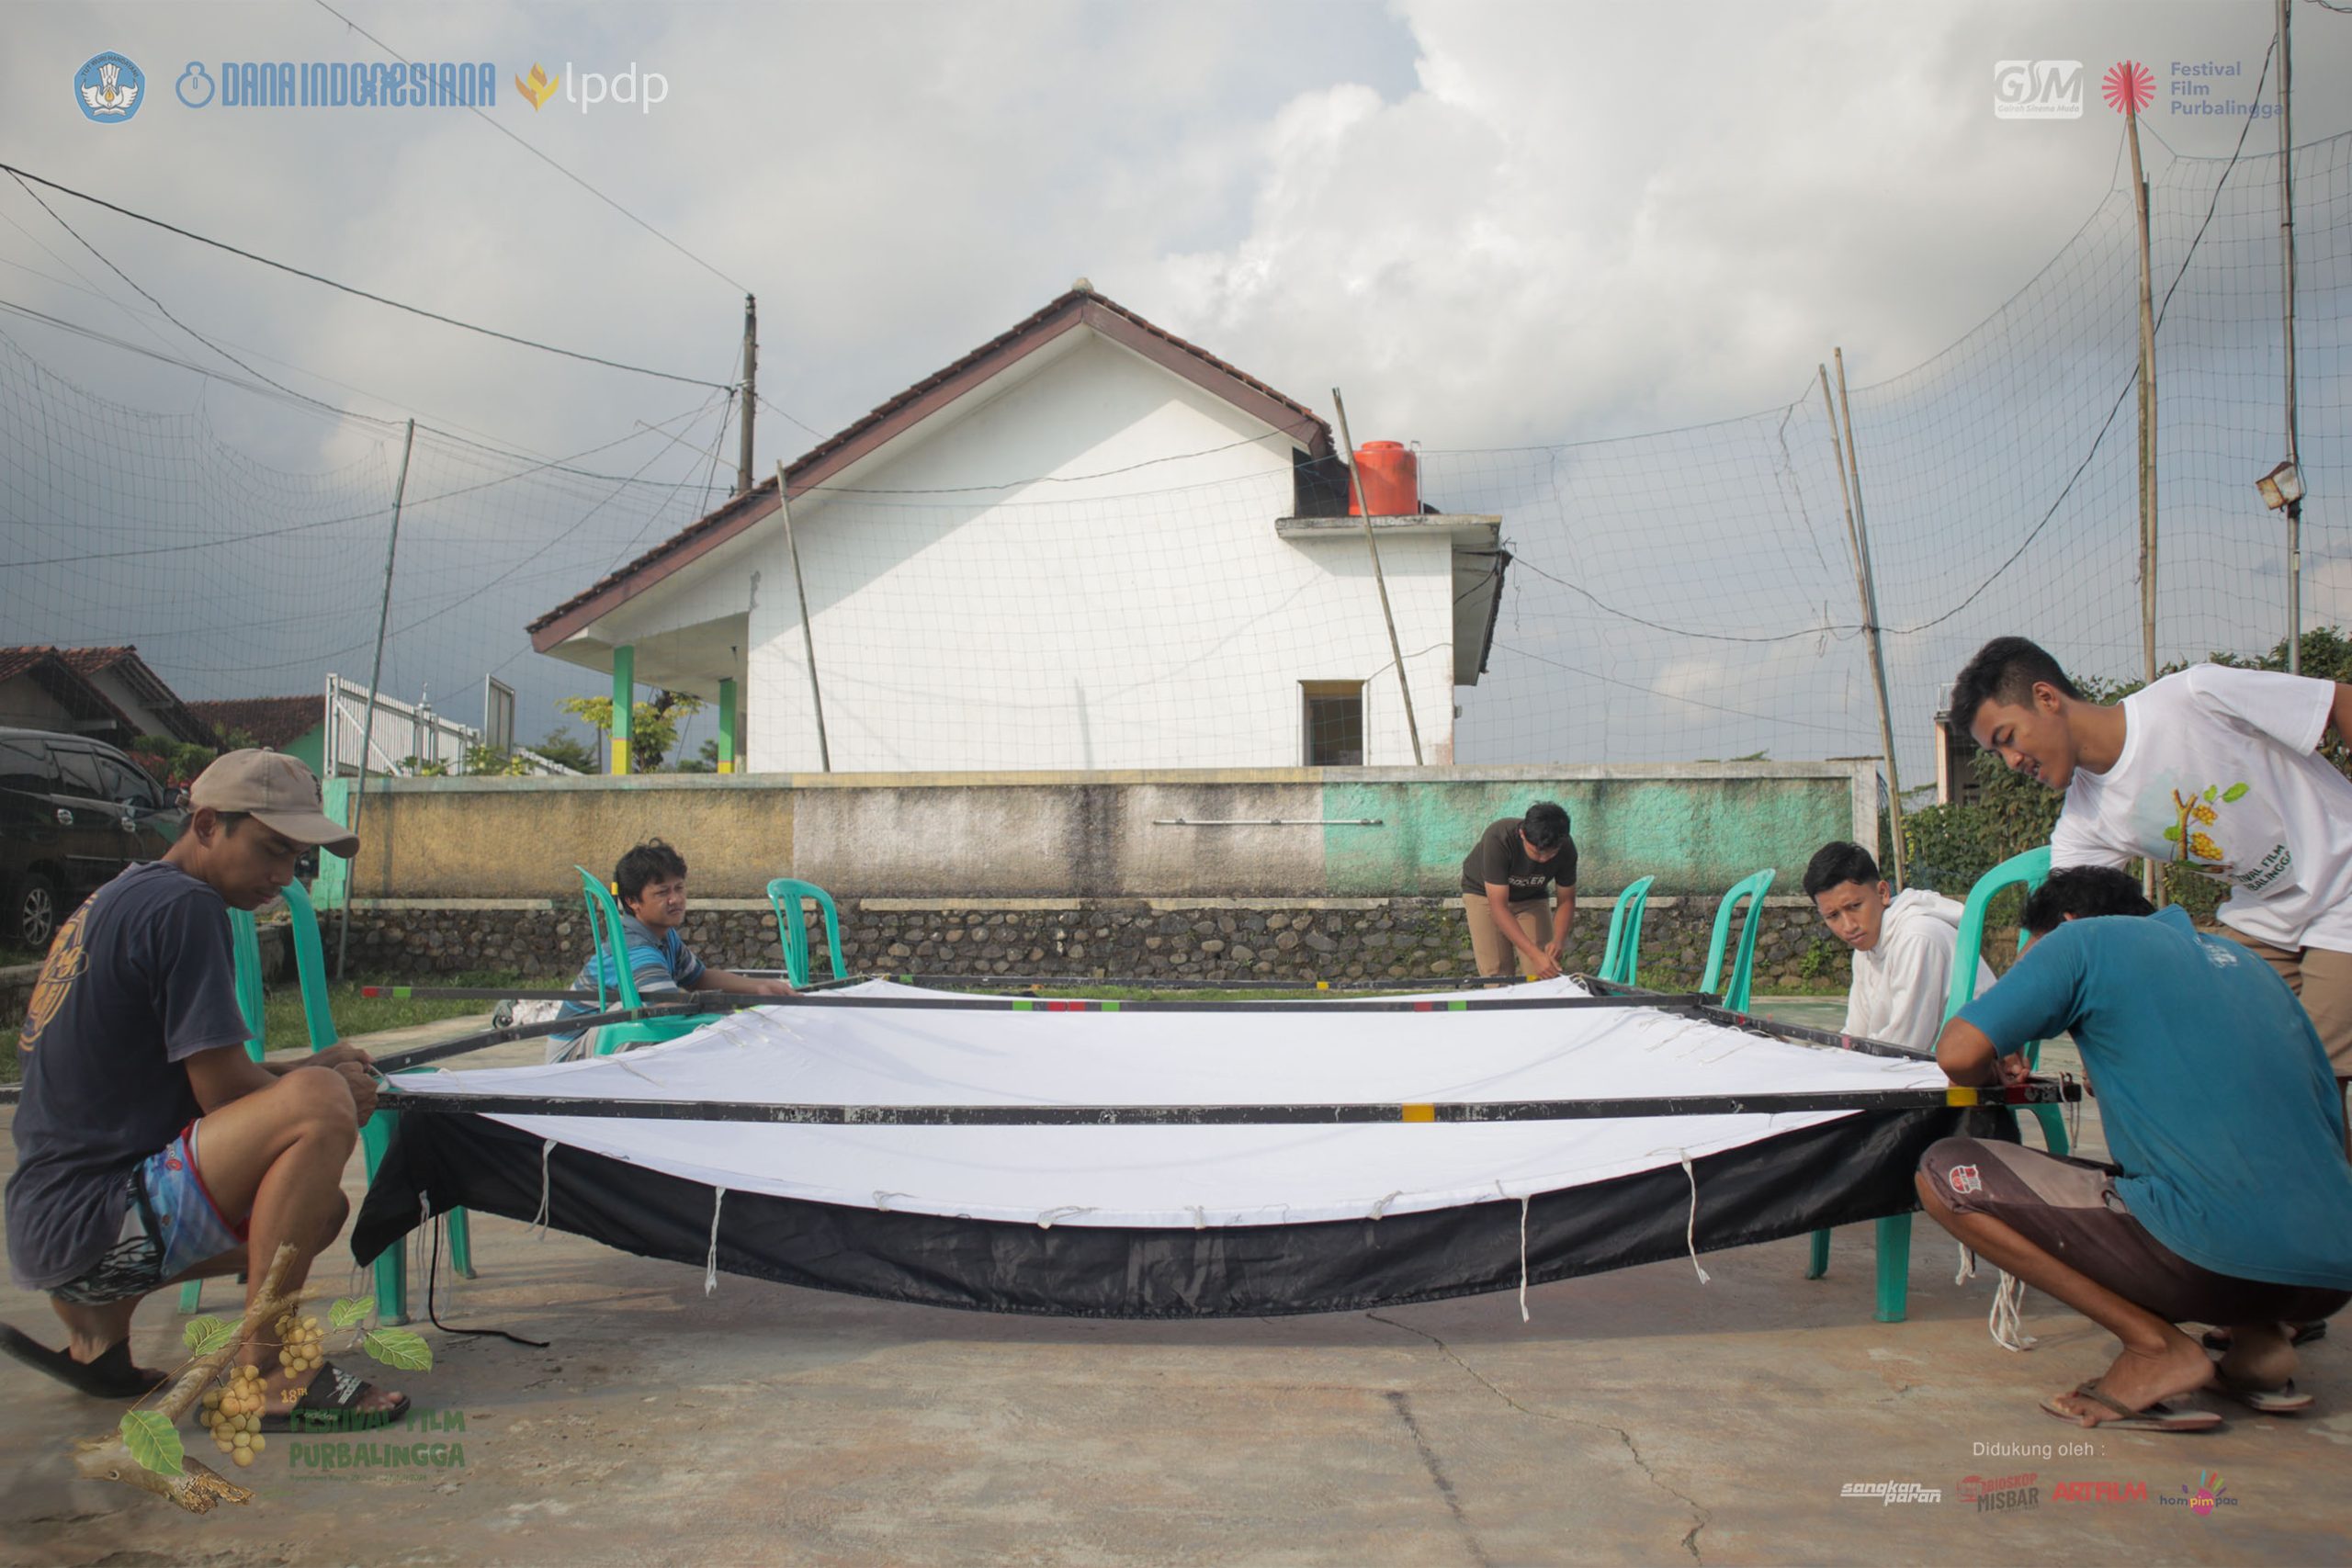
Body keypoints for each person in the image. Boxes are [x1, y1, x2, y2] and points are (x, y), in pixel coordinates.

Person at [3, 750, 409, 1427]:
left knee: (318, 1208)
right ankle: (269, 1368)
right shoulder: (186, 906)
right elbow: (225, 1097)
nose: (281, 876)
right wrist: (322, 1083)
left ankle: (98, 1335)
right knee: (320, 1107)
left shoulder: (126, 893)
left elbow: (194, 1084)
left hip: (52, 1230)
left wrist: (310, 1067)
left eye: (298, 859)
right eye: (271, 848)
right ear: (208, 822)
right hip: (94, 1220)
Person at [1916, 865, 2352, 1431]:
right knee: (2220, 1163)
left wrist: (1998, 1053)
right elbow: (2329, 1123)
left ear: (2067, 922)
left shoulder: (2082, 940)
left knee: (1946, 1174)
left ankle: (2155, 1350)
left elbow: (1958, 1053)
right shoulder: (2248, 964)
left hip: (2206, 1256)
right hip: (2330, 1273)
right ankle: (2259, 1346)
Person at [1949, 636, 2352, 1083]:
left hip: (2345, 886)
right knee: (2211, 1046)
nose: (2011, 761)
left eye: (2008, 738)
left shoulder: (2191, 698)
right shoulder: (2086, 818)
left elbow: (2337, 702)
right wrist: (2006, 1029)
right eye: (1997, 752)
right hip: (2268, 915)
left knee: (2314, 1082)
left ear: (2046, 698)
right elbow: (2055, 930)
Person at [548, 838, 793, 1062]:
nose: (675, 899)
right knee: (677, 1026)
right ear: (633, 901)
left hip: (607, 1035)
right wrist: (730, 1009)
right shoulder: (633, 946)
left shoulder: (666, 937)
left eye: (679, 888)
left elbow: (699, 977)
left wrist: (759, 987)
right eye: (662, 892)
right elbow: (668, 1006)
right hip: (574, 1053)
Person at [1804, 840, 1995, 1049]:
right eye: (1833, 916)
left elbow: (1904, 1047)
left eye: (1855, 906)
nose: (1848, 926)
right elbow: (1855, 1036)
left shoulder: (1917, 937)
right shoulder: (1865, 949)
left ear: (1883, 892)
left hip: (1976, 1071)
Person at [1459, 803, 1577, 980]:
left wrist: (1558, 941)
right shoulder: (1499, 838)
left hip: (1532, 897)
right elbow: (1498, 907)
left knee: (1544, 970)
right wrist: (1534, 954)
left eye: (1551, 854)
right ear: (1522, 834)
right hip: (1484, 894)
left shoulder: (1566, 848)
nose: (1544, 859)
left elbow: (1566, 900)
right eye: (1537, 853)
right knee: (1497, 973)